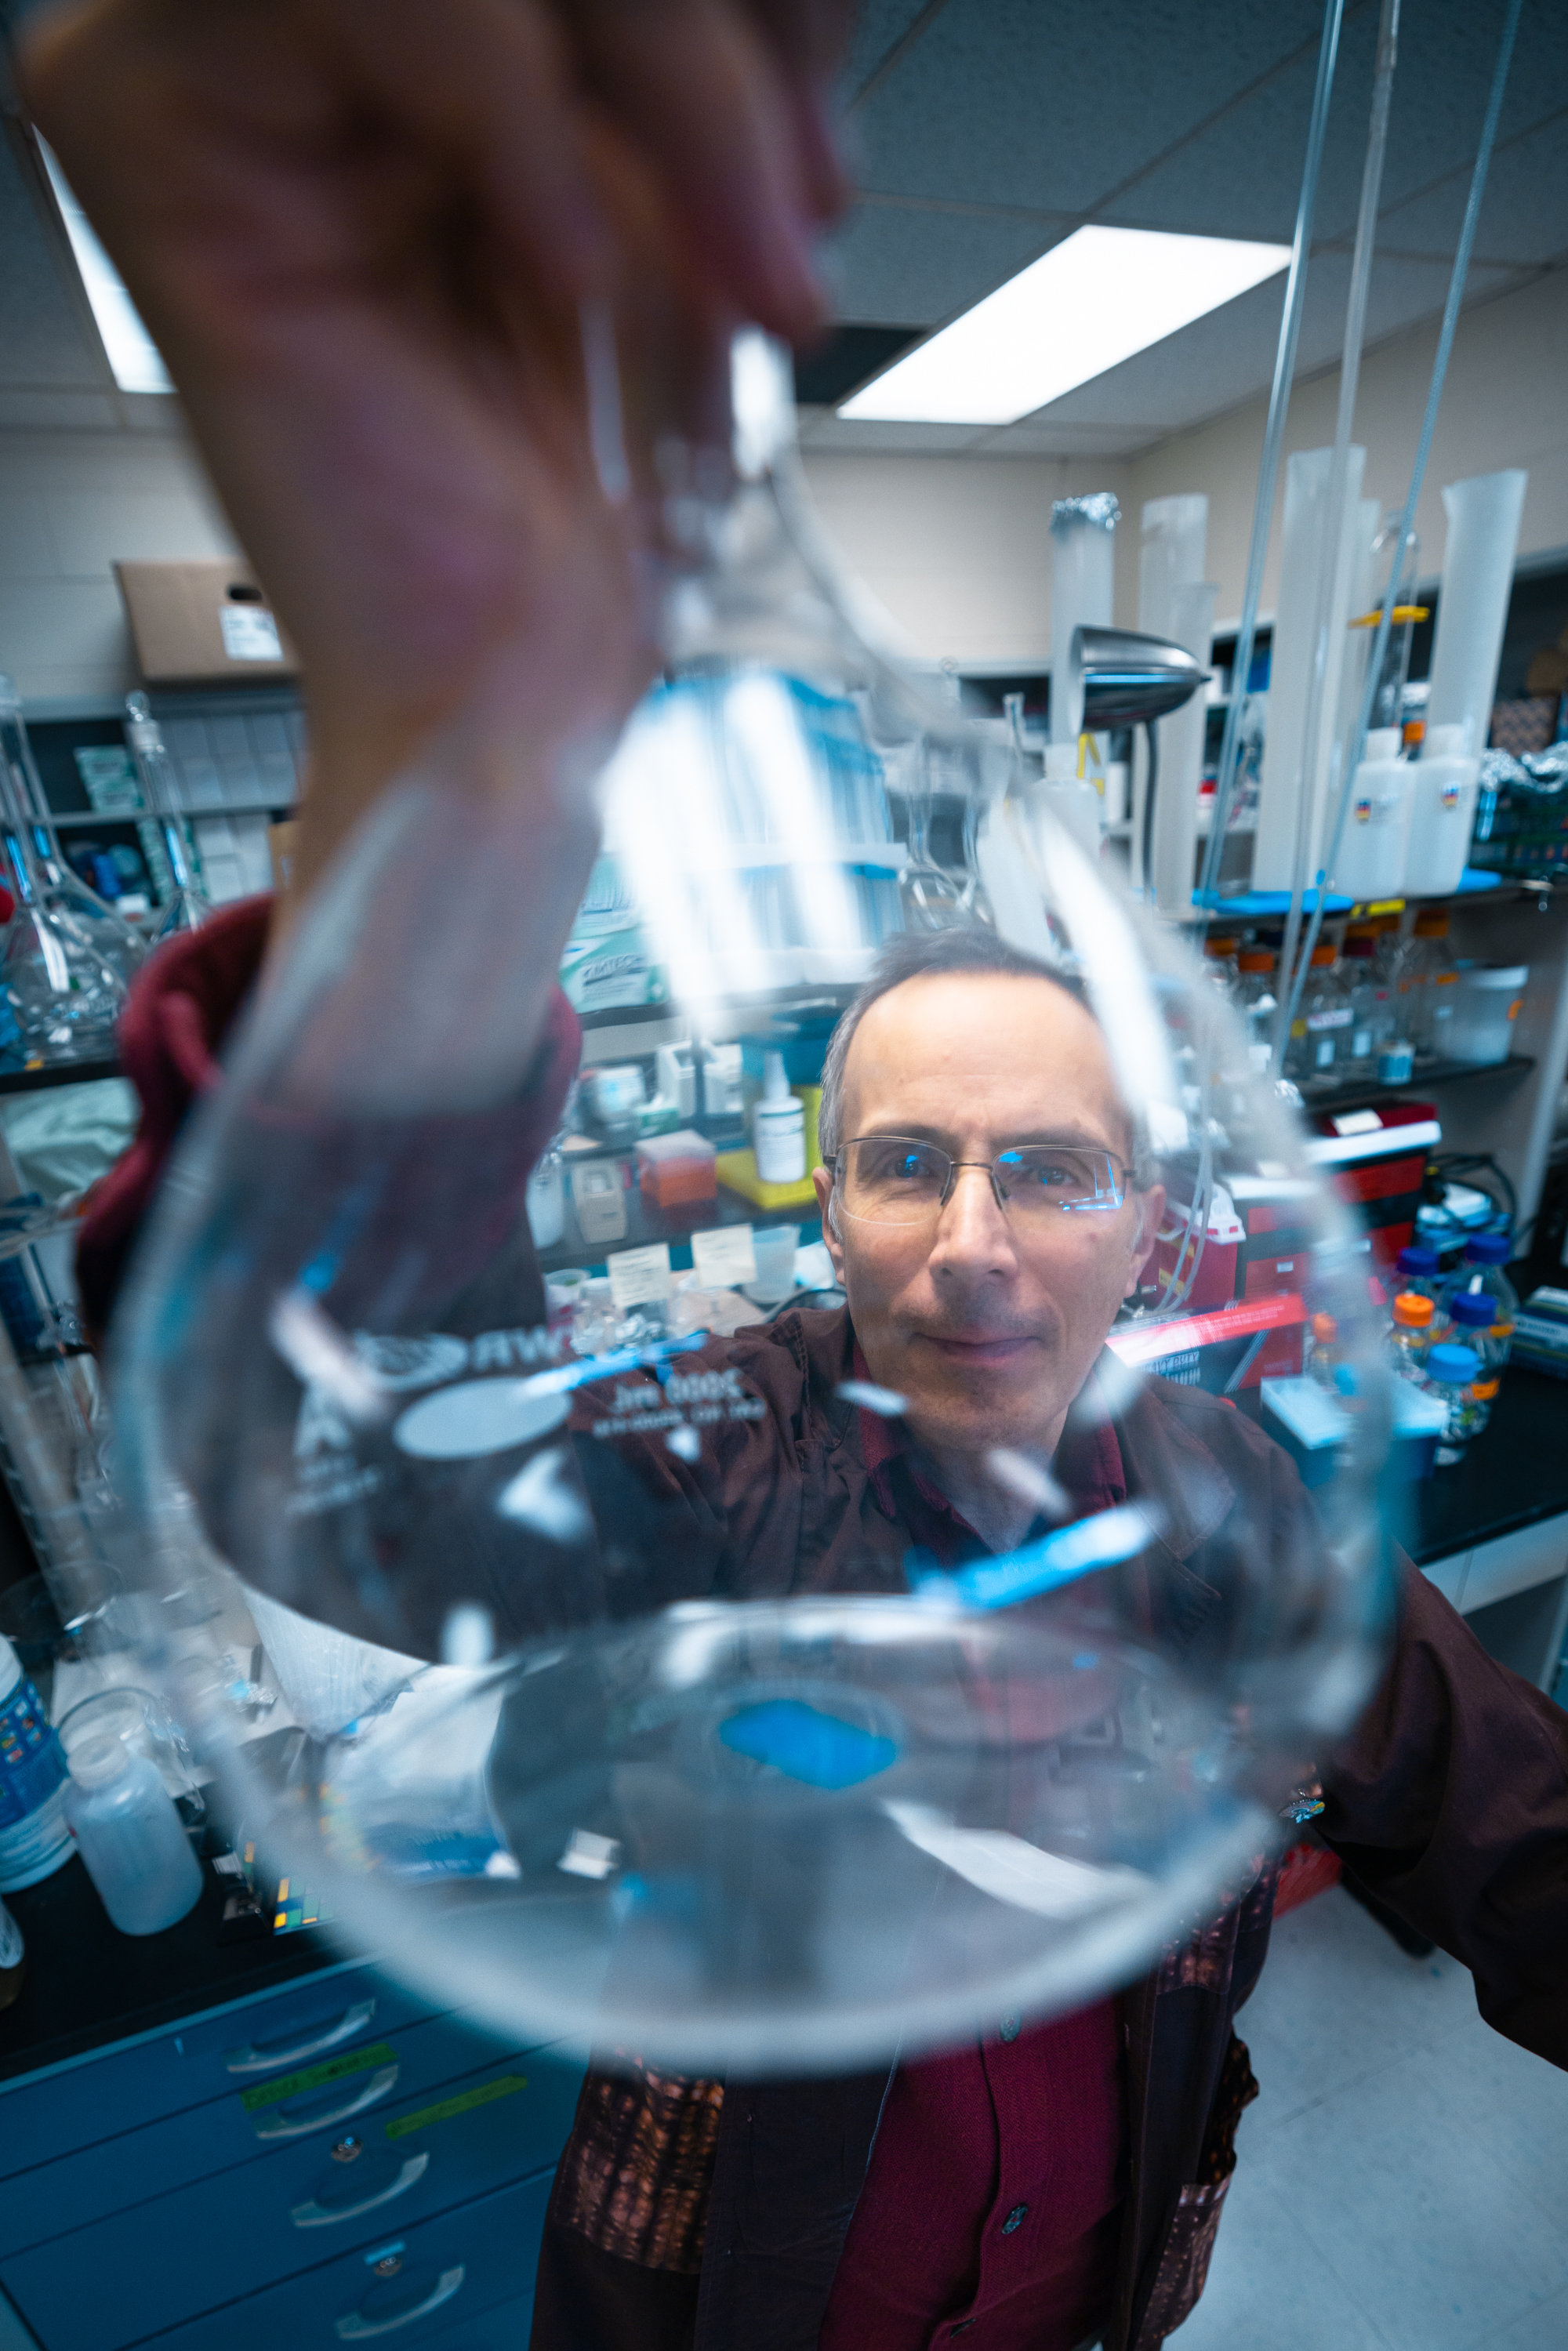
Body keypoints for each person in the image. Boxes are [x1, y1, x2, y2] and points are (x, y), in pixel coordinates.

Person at [13, 6, 1568, 2350]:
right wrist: (442, 791)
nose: (969, 1237)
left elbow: (1513, 1824)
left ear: (1147, 1218)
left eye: (1047, 1169)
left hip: (1107, 2277)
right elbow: (333, 1463)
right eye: (901, 1164)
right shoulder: (723, 1458)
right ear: (821, 1212)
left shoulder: (1230, 1510)